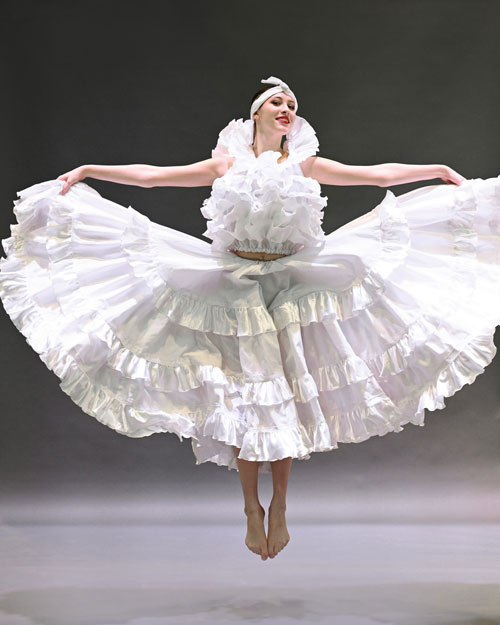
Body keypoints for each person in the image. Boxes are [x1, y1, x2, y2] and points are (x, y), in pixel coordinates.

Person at [1, 76, 500, 562]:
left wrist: (434, 169)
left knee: (277, 399)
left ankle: (279, 504)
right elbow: (153, 175)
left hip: (292, 283)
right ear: (257, 113)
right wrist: (90, 170)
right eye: (277, 102)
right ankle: (249, 508)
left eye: (292, 105)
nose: (287, 109)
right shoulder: (226, 164)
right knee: (246, 402)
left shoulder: (306, 165)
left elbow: (379, 174)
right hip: (232, 282)